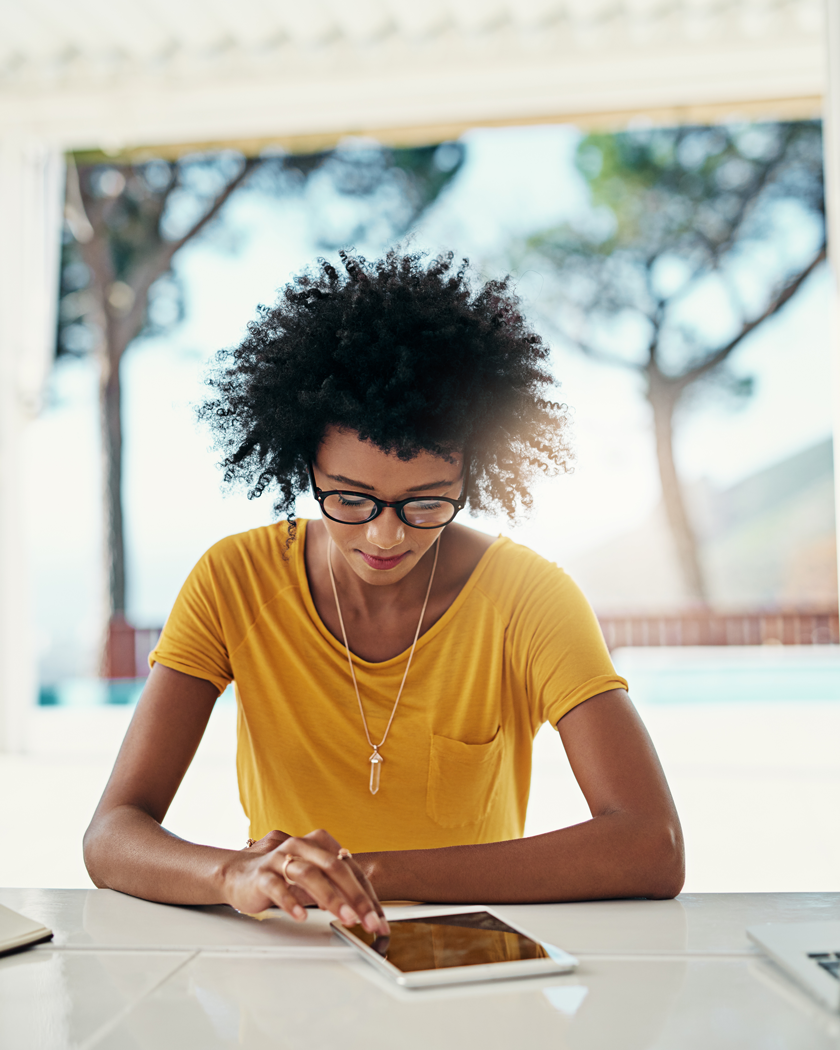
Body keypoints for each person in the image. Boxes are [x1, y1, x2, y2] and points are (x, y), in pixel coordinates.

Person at [84, 250, 684, 935]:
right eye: (350, 499)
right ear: (306, 464)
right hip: (290, 965)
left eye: (425, 503)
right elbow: (111, 834)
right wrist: (233, 873)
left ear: (471, 474)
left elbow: (651, 846)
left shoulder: (530, 598)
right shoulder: (236, 580)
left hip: (463, 968)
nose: (387, 536)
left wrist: (372, 873)